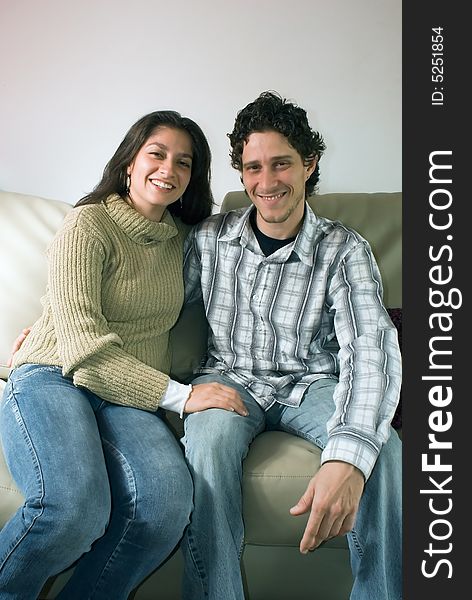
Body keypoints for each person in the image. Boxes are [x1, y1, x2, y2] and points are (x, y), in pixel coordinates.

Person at [0, 110, 244, 600]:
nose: (168, 170)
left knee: (165, 509)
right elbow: (83, 347)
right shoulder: (87, 224)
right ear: (130, 161)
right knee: (72, 510)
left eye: (184, 162)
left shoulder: (184, 240)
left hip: (125, 397)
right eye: (157, 154)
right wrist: (182, 396)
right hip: (56, 376)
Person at [180, 91, 402, 600]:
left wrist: (347, 455)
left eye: (281, 164)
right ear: (241, 173)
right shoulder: (210, 239)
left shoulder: (346, 250)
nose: (266, 182)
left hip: (314, 384)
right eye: (253, 167)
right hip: (229, 379)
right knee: (208, 444)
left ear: (309, 164)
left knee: (383, 450)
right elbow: (155, 303)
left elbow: (370, 349)